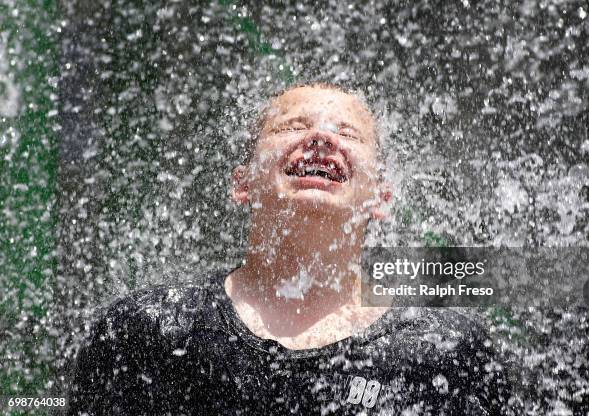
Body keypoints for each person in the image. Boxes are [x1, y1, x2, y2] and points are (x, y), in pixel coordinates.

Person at [66, 83, 511, 415]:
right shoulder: (151, 330)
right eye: (293, 126)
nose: (321, 138)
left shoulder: (443, 350)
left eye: (349, 135)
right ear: (242, 184)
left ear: (380, 197)